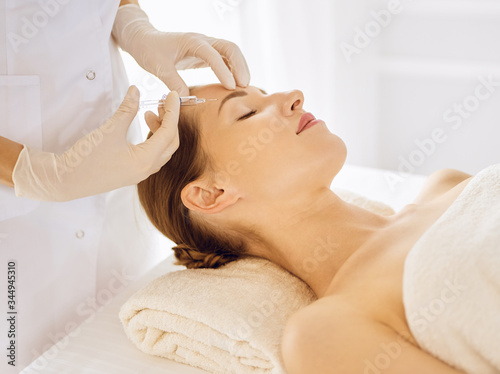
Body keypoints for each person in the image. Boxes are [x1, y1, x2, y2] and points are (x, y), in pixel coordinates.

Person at [137, 83, 477, 373]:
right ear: (211, 194)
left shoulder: (447, 186)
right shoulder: (326, 334)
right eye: (248, 113)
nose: (294, 95)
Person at [0, 0, 249, 370]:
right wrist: (35, 172)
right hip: (18, 231)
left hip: (114, 211)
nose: (296, 99)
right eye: (248, 113)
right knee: (19, 349)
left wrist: (130, 21)